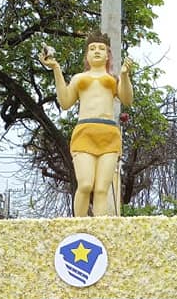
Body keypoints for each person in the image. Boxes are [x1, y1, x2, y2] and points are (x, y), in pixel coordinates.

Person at [39, 32, 133, 216]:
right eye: (92, 48)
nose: (97, 51)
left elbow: (127, 99)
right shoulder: (78, 78)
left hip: (109, 134)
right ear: (87, 55)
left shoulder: (114, 79)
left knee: (101, 189)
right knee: (85, 184)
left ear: (108, 55)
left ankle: (99, 228)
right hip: (85, 132)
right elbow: (65, 102)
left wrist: (125, 75)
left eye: (101, 49)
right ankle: (79, 226)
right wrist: (56, 69)